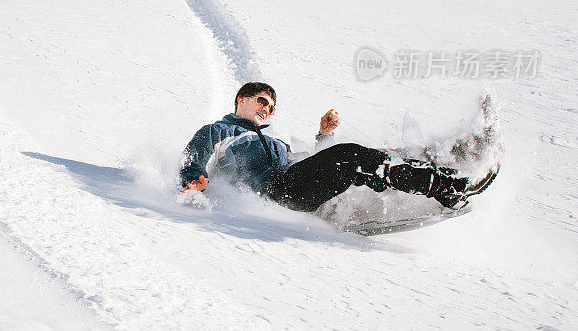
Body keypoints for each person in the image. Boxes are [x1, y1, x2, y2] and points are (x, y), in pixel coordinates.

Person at [180, 82, 494, 212]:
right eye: (262, 101)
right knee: (348, 157)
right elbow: (193, 154)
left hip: (292, 185)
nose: (267, 109)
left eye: (272, 107)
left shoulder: (275, 142)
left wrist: (323, 135)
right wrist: (193, 179)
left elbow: (309, 162)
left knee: (374, 154)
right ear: (241, 101)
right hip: (271, 196)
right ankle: (444, 188)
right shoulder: (220, 131)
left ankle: (454, 159)